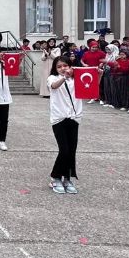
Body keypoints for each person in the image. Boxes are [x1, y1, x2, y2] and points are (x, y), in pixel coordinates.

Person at [47, 57, 82, 194]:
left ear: (70, 66)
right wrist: (64, 77)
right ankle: (55, 177)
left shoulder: (76, 79)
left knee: (72, 150)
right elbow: (54, 86)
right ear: (55, 69)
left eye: (65, 65)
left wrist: (99, 74)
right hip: (59, 118)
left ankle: (67, 178)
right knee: (64, 150)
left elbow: (90, 87)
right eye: (59, 66)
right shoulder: (52, 78)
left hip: (74, 117)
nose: (62, 68)